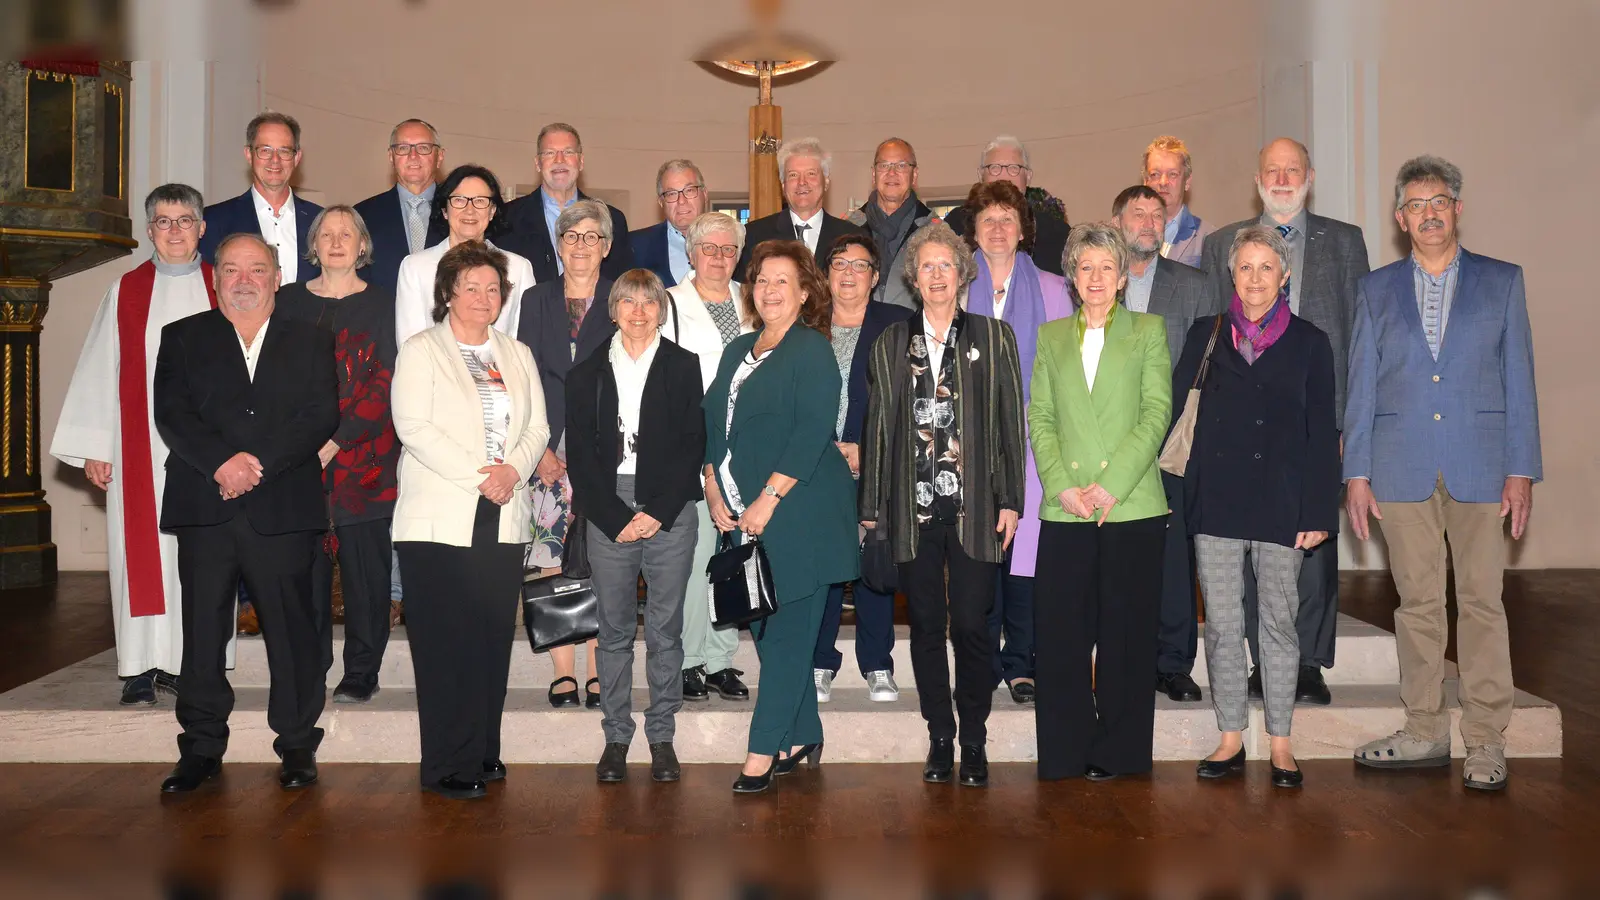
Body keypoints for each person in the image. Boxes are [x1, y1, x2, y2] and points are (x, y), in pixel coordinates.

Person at [1346, 156, 1541, 792]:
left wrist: (1521, 470)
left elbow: (1520, 382)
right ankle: (1424, 728)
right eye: (1416, 205)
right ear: (1400, 219)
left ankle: (1485, 738)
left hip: (1483, 467)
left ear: (1456, 209)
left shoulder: (1502, 281)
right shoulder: (1375, 289)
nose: (1428, 213)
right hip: (1399, 468)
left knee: (1482, 602)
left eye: (1439, 202)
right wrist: (1356, 472)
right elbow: (1362, 388)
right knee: (1417, 603)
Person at [152, 233, 337, 794]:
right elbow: (173, 415)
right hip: (206, 509)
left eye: (257, 268)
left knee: (292, 633)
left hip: (282, 507)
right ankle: (201, 748)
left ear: (276, 277)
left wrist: (256, 465)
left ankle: (298, 745)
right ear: (215, 278)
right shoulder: (182, 337)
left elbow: (320, 414)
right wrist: (220, 465)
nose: (244, 279)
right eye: (231, 268)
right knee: (203, 635)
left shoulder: (309, 339)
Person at [1201, 138, 1370, 706]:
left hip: (1316, 412)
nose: (1281, 177)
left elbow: (1359, 336)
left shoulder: (1345, 242)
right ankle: (1257, 660)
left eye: (1291, 169)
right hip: (1244, 421)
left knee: (1313, 544)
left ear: (1309, 176)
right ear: (1257, 179)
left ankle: (1308, 662)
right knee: (1249, 550)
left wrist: (1347, 422)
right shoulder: (1223, 242)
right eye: (1271, 169)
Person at [858, 222, 1025, 788]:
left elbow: (1010, 425)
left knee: (974, 626)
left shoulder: (994, 337)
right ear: (913, 276)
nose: (935, 275)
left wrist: (1012, 500)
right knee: (927, 626)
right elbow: (877, 426)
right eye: (925, 266)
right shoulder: (890, 343)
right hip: (912, 512)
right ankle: (940, 736)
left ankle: (974, 739)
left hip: (976, 509)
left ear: (962, 274)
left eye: (945, 265)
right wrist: (871, 509)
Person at [1174, 225, 1339, 790]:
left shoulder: (1312, 343)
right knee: (1221, 626)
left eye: (1266, 267)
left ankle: (1282, 741)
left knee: (1278, 624)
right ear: (1231, 274)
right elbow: (1177, 418)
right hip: (1216, 503)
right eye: (1244, 267)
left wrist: (1317, 512)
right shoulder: (1205, 335)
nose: (1254, 278)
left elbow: (1323, 434)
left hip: (1282, 504)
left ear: (1285, 274)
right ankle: (1230, 736)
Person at [51, 184, 223, 706]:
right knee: (140, 554)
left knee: (201, 556)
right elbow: (102, 369)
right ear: (149, 231)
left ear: (202, 227)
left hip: (210, 447)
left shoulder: (225, 286)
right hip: (139, 445)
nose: (175, 230)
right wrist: (97, 445)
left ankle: (190, 663)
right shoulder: (126, 291)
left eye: (185, 219)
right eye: (164, 221)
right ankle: (140, 666)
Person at [391, 241, 549, 800]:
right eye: (472, 287)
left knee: (488, 642)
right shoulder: (421, 350)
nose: (484, 297)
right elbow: (413, 426)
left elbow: (537, 428)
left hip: (503, 517)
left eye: (493, 288)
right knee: (443, 647)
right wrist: (482, 475)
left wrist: (511, 471)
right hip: (438, 518)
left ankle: (483, 749)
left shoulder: (517, 352)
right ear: (448, 293)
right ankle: (446, 764)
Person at [702, 240, 858, 794]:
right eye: (761, 280)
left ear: (805, 292)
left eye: (781, 281)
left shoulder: (812, 348)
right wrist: (712, 487)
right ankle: (804, 731)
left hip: (802, 512)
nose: (768, 290)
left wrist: (768, 497)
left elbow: (813, 430)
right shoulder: (737, 348)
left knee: (788, 637)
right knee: (766, 629)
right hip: (742, 512)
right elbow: (712, 425)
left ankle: (761, 752)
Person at [1027, 223, 1172, 782]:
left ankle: (1120, 752)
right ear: (1071, 275)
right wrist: (1062, 482)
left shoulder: (1148, 331)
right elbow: (1040, 416)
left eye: (1105, 267)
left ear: (1122, 275)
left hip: (1130, 503)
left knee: (1127, 638)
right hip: (1066, 506)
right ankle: (1063, 752)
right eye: (1085, 267)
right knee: (1061, 636)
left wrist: (1112, 482)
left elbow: (1156, 413)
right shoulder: (1051, 336)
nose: (1095, 277)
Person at [567, 271, 707, 784]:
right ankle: (616, 736)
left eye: (650, 301)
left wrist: (659, 511)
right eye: (628, 300)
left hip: (668, 508)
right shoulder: (586, 372)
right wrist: (613, 517)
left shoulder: (682, 365)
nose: (640, 311)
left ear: (661, 309)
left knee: (666, 629)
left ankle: (663, 735)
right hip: (609, 508)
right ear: (613, 308)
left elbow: (694, 443)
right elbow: (580, 456)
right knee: (615, 630)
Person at [273, 205, 400, 705]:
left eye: (347, 233)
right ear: (313, 245)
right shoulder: (287, 302)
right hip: (299, 460)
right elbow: (275, 378)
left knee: (366, 574)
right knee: (305, 572)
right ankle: (311, 667)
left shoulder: (385, 303)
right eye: (326, 233)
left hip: (365, 459)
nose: (337, 241)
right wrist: (303, 441)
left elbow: (387, 380)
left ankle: (361, 671)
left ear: (363, 245)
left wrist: (336, 438)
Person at [957, 181, 1072, 706]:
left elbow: (1067, 371)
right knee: (980, 555)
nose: (998, 228)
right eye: (988, 219)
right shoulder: (955, 287)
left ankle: (1022, 661)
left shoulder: (1053, 288)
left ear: (1023, 230)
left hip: (1033, 438)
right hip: (970, 442)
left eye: (1008, 218)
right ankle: (981, 662)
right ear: (973, 231)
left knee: (1026, 549)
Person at [1112, 184, 1219, 704]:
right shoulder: (1092, 279)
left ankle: (1174, 661)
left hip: (1172, 442)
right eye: (1138, 213)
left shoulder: (1196, 286)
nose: (1149, 222)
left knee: (1174, 556)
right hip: (1104, 443)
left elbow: (1209, 366)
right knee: (1114, 557)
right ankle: (1121, 657)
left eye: (1158, 214)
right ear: (1118, 223)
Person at [515, 199, 617, 708]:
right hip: (544, 450)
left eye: (591, 237)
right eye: (572, 236)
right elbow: (521, 375)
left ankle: (599, 668)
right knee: (549, 557)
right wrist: (537, 452)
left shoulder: (623, 300)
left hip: (604, 450)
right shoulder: (534, 300)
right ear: (558, 246)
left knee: (600, 558)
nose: (581, 245)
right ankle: (562, 670)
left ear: (606, 246)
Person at [813, 234, 912, 704]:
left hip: (879, 466)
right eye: (839, 263)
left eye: (860, 265)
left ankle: (878, 665)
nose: (848, 273)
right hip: (815, 467)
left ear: (875, 277)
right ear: (826, 273)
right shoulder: (806, 323)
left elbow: (908, 405)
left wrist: (865, 450)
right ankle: (819, 662)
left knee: (875, 568)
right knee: (826, 568)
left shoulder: (897, 325)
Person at [662, 212, 755, 704]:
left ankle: (720, 659)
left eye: (728, 249)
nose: (719, 258)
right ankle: (687, 660)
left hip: (746, 454)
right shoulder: (670, 304)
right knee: (693, 559)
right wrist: (702, 461)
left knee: (730, 557)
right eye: (709, 249)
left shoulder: (754, 300)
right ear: (691, 252)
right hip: (693, 451)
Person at [395, 164, 531, 347]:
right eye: (459, 200)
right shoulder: (415, 267)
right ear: (444, 210)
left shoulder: (518, 268)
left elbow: (521, 345)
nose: (469, 210)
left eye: (480, 201)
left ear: (492, 212)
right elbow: (409, 343)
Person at [198, 112, 323, 285]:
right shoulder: (213, 221)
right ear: (249, 154)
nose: (275, 160)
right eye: (265, 151)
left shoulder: (320, 221)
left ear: (296, 158)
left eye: (284, 151)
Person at [499, 122, 632, 283]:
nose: (559, 160)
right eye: (549, 153)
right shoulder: (507, 219)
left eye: (568, 152)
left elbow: (623, 288)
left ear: (581, 161)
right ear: (537, 163)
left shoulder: (613, 220)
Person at [942, 135, 1071, 277]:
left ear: (1028, 177)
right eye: (994, 168)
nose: (1004, 176)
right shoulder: (954, 225)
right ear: (980, 175)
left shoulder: (1056, 232)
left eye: (1014, 168)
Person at [738, 138, 865, 274]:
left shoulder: (853, 236)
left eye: (811, 174)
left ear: (826, 182)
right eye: (793, 175)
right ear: (783, 185)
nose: (802, 182)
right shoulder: (753, 236)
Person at [353, 118, 449, 295]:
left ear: (439, 156)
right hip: (383, 319)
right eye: (403, 148)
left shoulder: (461, 211)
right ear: (391, 156)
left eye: (423, 148)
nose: (413, 156)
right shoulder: (361, 216)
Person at [848, 138, 937, 309]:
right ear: (874, 174)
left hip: (912, 331)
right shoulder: (849, 229)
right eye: (884, 165)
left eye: (901, 165)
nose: (892, 173)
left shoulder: (934, 232)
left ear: (915, 175)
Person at [630, 159, 706, 287]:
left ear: (704, 194)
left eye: (689, 190)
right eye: (671, 194)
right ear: (661, 202)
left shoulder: (729, 244)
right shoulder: (634, 246)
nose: (681, 201)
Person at [1141, 135, 1210, 268]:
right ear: (1145, 181)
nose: (1163, 182)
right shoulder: (1124, 235)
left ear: (1187, 182)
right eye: (1155, 174)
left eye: (1172, 174)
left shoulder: (1208, 238)